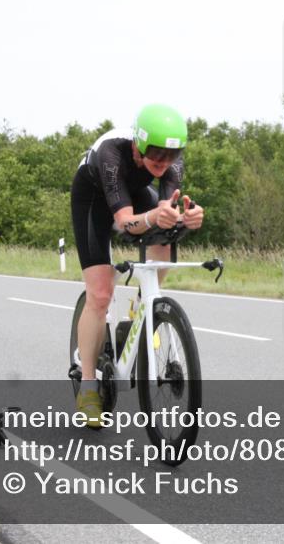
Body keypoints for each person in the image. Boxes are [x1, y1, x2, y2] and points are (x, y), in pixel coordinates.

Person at [69, 105, 203, 427]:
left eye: (171, 154)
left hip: (132, 196)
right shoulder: (112, 154)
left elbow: (163, 213)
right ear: (139, 145)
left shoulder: (171, 164)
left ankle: (142, 313)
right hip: (93, 200)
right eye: (155, 152)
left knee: (166, 236)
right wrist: (152, 217)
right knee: (100, 294)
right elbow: (124, 222)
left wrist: (186, 219)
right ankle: (88, 385)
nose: (163, 160)